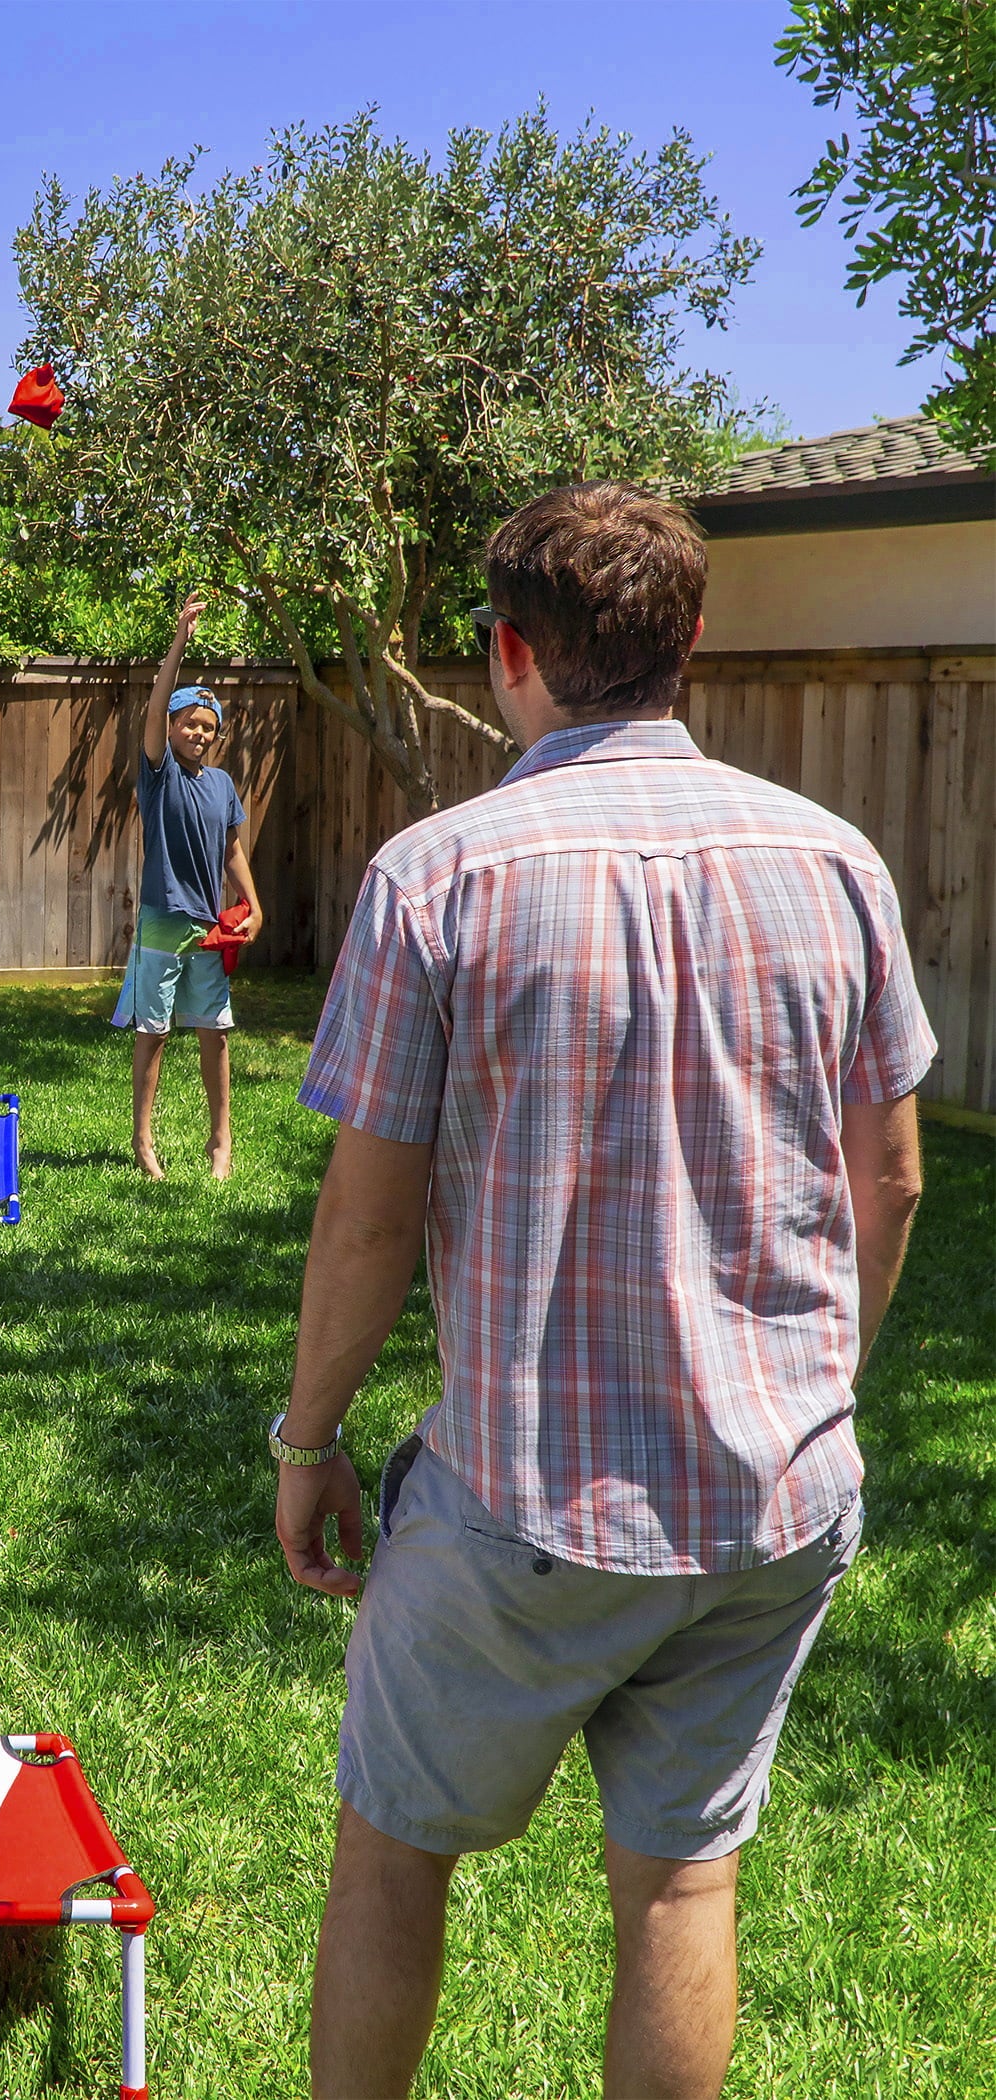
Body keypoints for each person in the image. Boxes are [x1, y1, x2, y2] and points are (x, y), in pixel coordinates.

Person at [272, 484, 932, 2100]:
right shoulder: (835, 862)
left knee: (391, 1857)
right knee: (685, 1883)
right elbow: (894, 1178)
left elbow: (366, 1225)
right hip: (770, 1502)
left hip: (521, 1510)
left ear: (510, 656)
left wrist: (308, 1444)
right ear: (690, 642)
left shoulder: (439, 879)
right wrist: (810, 1393)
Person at [112, 591, 261, 1180]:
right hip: (161, 922)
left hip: (208, 927)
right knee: (153, 1032)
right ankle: (142, 1140)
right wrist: (180, 638)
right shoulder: (158, 773)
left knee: (215, 1031)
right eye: (189, 723)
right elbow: (149, 714)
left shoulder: (222, 785)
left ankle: (219, 1139)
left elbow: (232, 849)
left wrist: (253, 905)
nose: (199, 733)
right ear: (171, 728)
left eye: (208, 727)